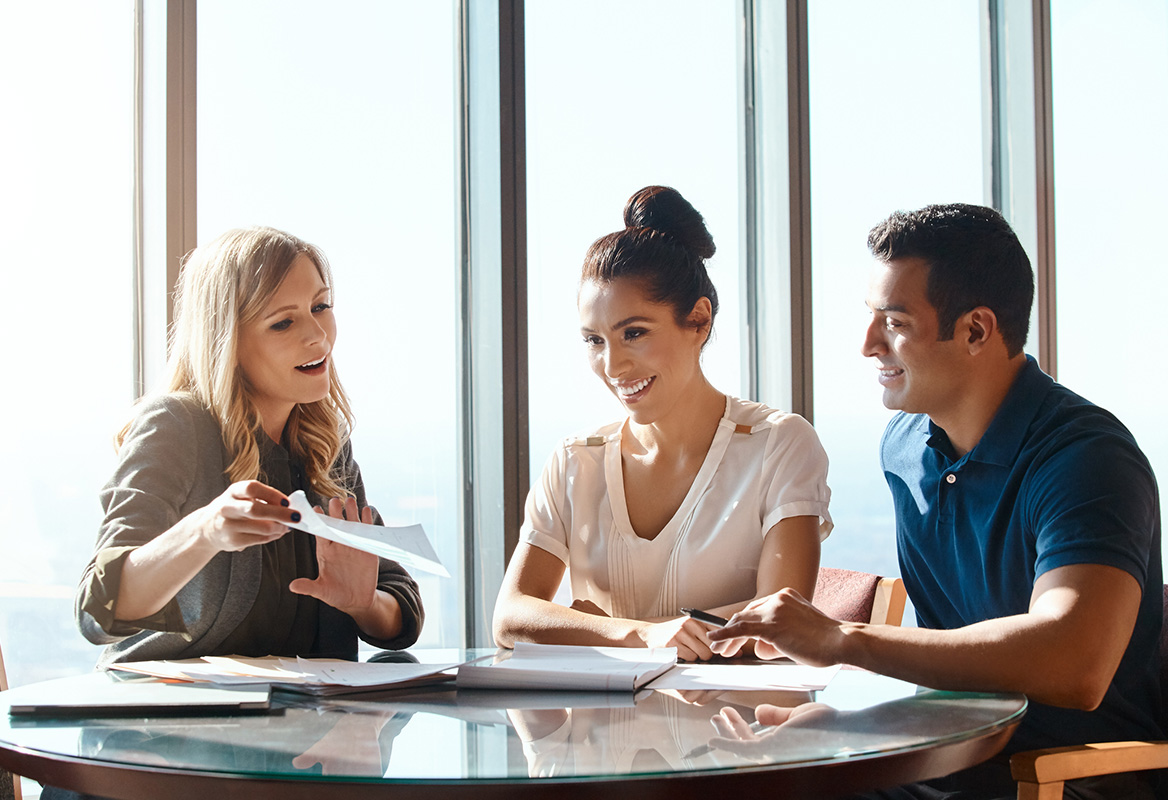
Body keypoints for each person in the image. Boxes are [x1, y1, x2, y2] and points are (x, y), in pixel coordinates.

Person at [709, 203, 1164, 799]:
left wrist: (841, 641)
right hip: (950, 757)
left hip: (1070, 777)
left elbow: (1074, 664)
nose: (868, 344)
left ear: (976, 330)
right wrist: (848, 727)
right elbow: (952, 662)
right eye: (871, 317)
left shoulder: (1087, 458)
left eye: (894, 321)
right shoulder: (905, 446)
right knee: (751, 778)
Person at [492, 186, 832, 662]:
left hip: (737, 730)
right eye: (594, 340)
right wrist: (642, 636)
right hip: (599, 730)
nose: (612, 366)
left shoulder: (779, 445)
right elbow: (510, 616)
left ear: (698, 321)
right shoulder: (575, 461)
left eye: (634, 333)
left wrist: (588, 626)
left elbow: (778, 629)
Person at [75, 226, 424, 666]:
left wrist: (362, 603)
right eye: (283, 322)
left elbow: (402, 607)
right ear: (228, 342)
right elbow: (98, 610)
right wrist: (205, 532)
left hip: (309, 724)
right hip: (173, 724)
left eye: (321, 306)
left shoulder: (323, 441)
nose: (318, 335)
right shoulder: (177, 425)